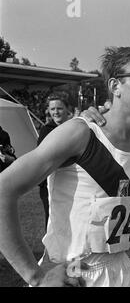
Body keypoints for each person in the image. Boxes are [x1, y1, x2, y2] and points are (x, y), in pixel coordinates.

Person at [0, 46, 130, 287]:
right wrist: (34, 277)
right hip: (72, 273)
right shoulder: (79, 133)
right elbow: (3, 189)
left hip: (120, 268)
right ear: (114, 86)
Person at [37, 92, 71, 228]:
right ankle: (50, 249)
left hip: (70, 181)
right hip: (49, 184)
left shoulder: (74, 127)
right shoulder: (46, 130)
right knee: (52, 221)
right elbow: (42, 158)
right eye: (52, 109)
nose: (56, 112)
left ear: (67, 109)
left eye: (59, 108)